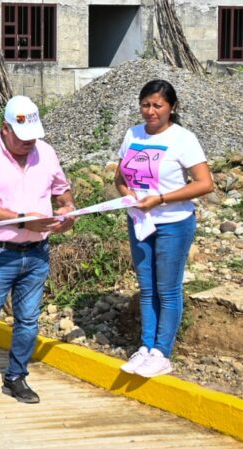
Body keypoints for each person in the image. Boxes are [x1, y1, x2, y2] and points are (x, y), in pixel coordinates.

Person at [0, 95, 76, 406]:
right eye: (22, 138)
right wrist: (23, 221)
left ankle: (16, 376)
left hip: (37, 253)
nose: (29, 144)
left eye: (33, 137)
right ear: (5, 129)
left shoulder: (46, 152)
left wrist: (67, 210)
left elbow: (61, 190)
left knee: (27, 320)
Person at [114, 80, 213, 378]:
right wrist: (126, 194)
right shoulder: (133, 134)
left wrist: (161, 199)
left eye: (158, 105)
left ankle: (162, 352)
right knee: (146, 288)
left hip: (173, 223)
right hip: (140, 222)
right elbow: (119, 176)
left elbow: (204, 183)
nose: (151, 111)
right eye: (146, 104)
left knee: (167, 290)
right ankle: (145, 348)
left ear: (172, 107)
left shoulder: (184, 139)